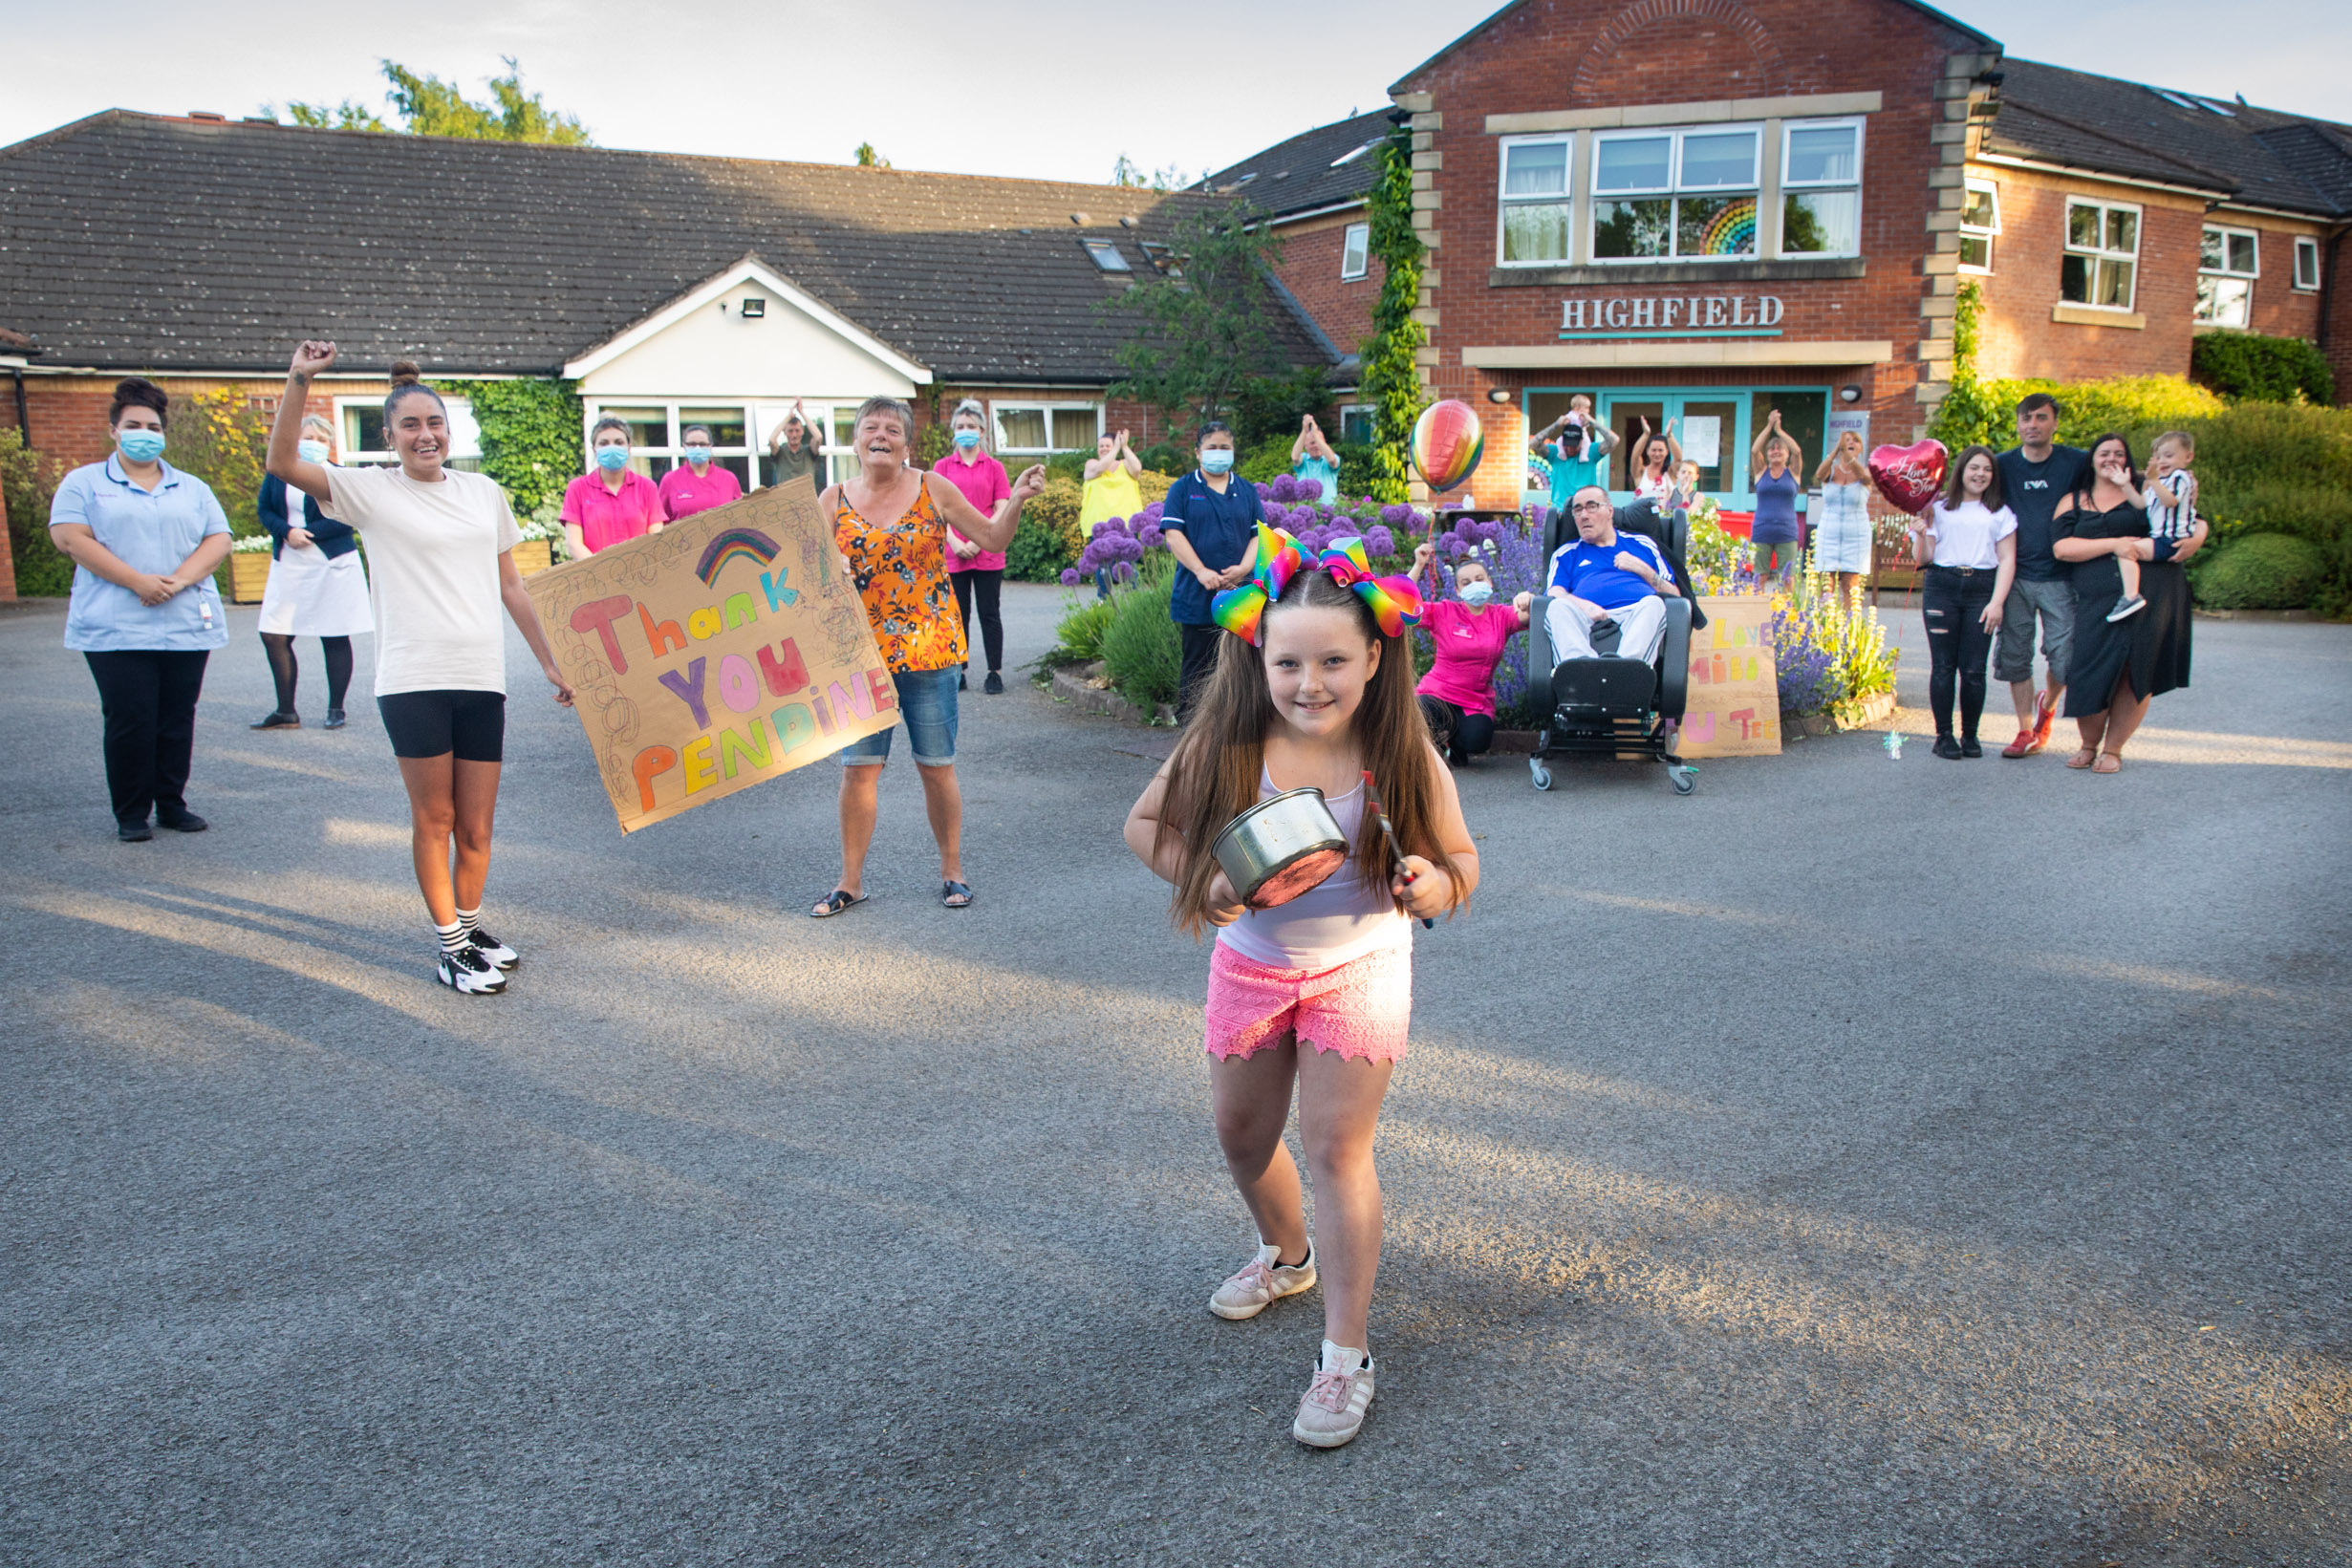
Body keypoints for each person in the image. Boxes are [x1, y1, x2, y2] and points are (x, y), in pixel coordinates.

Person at [1122, 523, 1476, 1450]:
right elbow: (1145, 826)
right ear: (1259, 658)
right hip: (1249, 960)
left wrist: (1434, 883)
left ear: (1372, 659)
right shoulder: (1234, 739)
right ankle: (1287, 1257)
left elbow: (1461, 860)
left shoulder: (1398, 748)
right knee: (1242, 1137)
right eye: (1289, 662)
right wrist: (1199, 880)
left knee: (1334, 1149)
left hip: (1360, 966)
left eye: (1333, 660)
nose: (1309, 682)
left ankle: (1344, 1358)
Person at [267, 345, 575, 995]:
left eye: (433, 423)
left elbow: (511, 586)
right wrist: (299, 379)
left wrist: (549, 660)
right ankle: (449, 945)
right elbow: (283, 462)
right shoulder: (369, 490)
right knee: (434, 821)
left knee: (479, 825)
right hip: (413, 681)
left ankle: (467, 927)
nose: (424, 435)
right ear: (390, 437)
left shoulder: (482, 493)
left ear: (449, 430)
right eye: (409, 426)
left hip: (479, 677)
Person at [810, 397, 1044, 917]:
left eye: (892, 429)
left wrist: (1019, 498)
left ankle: (952, 872)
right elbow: (804, 579)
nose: (881, 435)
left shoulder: (933, 487)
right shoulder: (831, 499)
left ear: (907, 445)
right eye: (870, 427)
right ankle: (850, 882)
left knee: (936, 766)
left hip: (930, 651)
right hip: (861, 657)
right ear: (855, 442)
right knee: (858, 771)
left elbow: (991, 538)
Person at [47, 377, 232, 841]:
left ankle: (171, 803)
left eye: (151, 425)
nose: (143, 432)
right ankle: (131, 812)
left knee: (176, 718)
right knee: (131, 719)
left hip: (185, 619)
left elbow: (219, 538)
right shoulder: (84, 483)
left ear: (163, 433)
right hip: (116, 626)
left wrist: (179, 581)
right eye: (133, 424)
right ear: (114, 430)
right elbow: (69, 537)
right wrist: (138, 583)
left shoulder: (191, 488)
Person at [2051, 433, 2195, 774]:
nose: (2111, 458)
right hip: (2096, 601)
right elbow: (2060, 549)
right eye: (2104, 452)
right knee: (2091, 669)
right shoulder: (2074, 500)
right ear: (2092, 459)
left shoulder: (2148, 487)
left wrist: (2198, 536)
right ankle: (2088, 745)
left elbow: (2191, 517)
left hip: (2153, 595)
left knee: (2136, 672)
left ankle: (2113, 749)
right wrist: (2114, 543)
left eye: (2119, 452)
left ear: (2129, 458)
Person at [250, 414, 370, 732]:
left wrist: (309, 533)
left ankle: (336, 708)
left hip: (331, 564)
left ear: (330, 444)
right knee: (274, 634)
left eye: (321, 440)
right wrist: (287, 531)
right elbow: (264, 509)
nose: (314, 444)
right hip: (289, 562)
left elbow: (348, 517)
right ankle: (286, 710)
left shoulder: (338, 476)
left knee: (333, 634)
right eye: (308, 438)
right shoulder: (278, 473)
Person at [1993, 393, 2090, 758]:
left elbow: (2116, 483)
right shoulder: (2001, 465)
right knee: (2015, 656)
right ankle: (2024, 730)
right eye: (2026, 418)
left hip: (2060, 578)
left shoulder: (2076, 462)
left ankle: (2047, 709)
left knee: (2065, 660)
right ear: (2018, 425)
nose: (2032, 424)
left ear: (2054, 423)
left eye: (2041, 417)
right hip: (2015, 576)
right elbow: (1967, 493)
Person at [1905, 445, 2016, 760]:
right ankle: (1944, 736)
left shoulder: (2000, 513)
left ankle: (1970, 735)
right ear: (1961, 471)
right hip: (1943, 585)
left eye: (1987, 470)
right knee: (1943, 667)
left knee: (1973, 670)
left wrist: (1997, 603)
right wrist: (1920, 534)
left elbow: (2007, 560)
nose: (1980, 474)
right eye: (1974, 468)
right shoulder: (1937, 508)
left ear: (1993, 476)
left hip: (1982, 589)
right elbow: (1923, 558)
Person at [1160, 421, 1264, 722]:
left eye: (1224, 447)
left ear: (1233, 451)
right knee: (1198, 664)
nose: (1218, 453)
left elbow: (1258, 534)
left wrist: (1245, 567)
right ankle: (1192, 727)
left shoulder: (1245, 490)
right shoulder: (1183, 489)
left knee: (1242, 663)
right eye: (1211, 447)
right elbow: (1173, 535)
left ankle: (1237, 723)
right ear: (1197, 452)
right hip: (1197, 594)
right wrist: (1201, 571)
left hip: (1240, 593)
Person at [1410, 540, 1533, 766]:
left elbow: (1531, 615)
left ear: (1490, 582)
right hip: (1438, 692)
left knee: (1477, 741)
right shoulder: (1444, 611)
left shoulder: (1501, 616)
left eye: (1479, 579)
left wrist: (1530, 600)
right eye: (1466, 583)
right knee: (1421, 716)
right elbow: (1403, 604)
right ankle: (1433, 743)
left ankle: (1455, 743)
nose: (1474, 585)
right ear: (1457, 590)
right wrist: (1419, 565)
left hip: (1474, 699)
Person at [1544, 484, 1680, 666]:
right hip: (1586, 616)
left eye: (1591, 506)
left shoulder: (1642, 544)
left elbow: (1674, 595)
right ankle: (1580, 672)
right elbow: (1555, 592)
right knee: (1557, 607)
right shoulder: (1566, 553)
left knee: (1654, 603)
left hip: (1636, 613)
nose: (1584, 515)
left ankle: (1625, 671)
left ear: (1610, 511)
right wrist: (1585, 606)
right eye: (1577, 510)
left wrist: (1642, 569)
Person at [935, 398, 1012, 695]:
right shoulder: (941, 467)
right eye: (960, 427)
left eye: (971, 426)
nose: (965, 431)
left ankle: (995, 672)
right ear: (953, 431)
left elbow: (1002, 506)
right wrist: (955, 541)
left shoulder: (994, 467)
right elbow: (936, 508)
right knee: (957, 613)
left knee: (989, 612)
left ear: (982, 431)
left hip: (988, 553)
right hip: (953, 553)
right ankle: (959, 670)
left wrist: (979, 540)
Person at [2111, 431, 2198, 622]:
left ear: (2188, 457)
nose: (2162, 461)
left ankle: (2131, 597)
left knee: (2127, 551)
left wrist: (2154, 480)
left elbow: (2170, 501)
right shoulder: (2162, 481)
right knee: (2126, 550)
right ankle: (2130, 596)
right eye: (2158, 457)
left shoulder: (2180, 477)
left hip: (2171, 540)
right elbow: (2141, 503)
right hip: (2160, 538)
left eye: (2169, 455)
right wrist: (2125, 485)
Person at [560, 416, 667, 559]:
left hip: (641, 573)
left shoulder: (647, 487)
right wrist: (602, 572)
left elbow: (656, 537)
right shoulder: (577, 488)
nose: (611, 447)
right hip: (594, 575)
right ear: (594, 449)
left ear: (629, 448)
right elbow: (574, 544)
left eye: (618, 442)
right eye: (604, 443)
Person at [1080, 427, 1145, 599]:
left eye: (1107, 445)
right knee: (1103, 569)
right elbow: (1099, 469)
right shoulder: (1092, 464)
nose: (1104, 448)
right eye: (1101, 446)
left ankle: (1134, 602)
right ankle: (1105, 603)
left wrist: (1124, 447)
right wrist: (1115, 448)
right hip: (1099, 527)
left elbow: (1137, 470)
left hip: (1125, 526)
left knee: (1129, 567)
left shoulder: (1126, 465)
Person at [1810, 428, 1874, 604]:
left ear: (1861, 448)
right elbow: (1819, 475)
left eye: (1855, 440)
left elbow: (1865, 478)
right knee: (1825, 587)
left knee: (1850, 587)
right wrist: (1836, 452)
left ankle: (1848, 627)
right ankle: (1823, 626)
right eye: (1847, 440)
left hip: (1856, 537)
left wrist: (1848, 456)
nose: (1851, 443)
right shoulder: (1830, 472)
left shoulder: (1867, 471)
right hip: (1828, 535)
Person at [1529, 395, 1616, 520]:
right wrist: (1556, 425)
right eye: (1567, 445)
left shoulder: (1591, 452)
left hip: (1588, 512)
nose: (1570, 449)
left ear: (1582, 441)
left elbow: (1614, 441)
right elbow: (1533, 444)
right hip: (1562, 511)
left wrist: (1592, 422)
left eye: (1575, 445)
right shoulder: (1556, 453)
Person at [1747, 410, 1803, 591]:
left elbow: (1797, 451)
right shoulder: (1761, 472)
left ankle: (1786, 614)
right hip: (1762, 530)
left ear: (1787, 455)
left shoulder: (1793, 473)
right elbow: (1755, 450)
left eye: (1780, 449)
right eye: (1772, 449)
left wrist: (1779, 431)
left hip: (1786, 532)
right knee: (1759, 576)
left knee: (1787, 578)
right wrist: (1769, 427)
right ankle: (1756, 613)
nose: (1776, 451)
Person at [656, 423, 744, 521]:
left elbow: (740, 517)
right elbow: (660, 521)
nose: (697, 448)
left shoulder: (728, 479)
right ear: (684, 446)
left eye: (702, 444)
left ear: (710, 446)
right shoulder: (670, 480)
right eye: (692, 444)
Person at [766, 401, 823, 490]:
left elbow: (818, 437)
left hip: (806, 501)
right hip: (785, 501)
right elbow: (772, 440)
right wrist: (788, 416)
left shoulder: (809, 451)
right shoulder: (780, 452)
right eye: (790, 431)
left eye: (797, 430)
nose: (794, 435)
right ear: (785, 432)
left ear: (802, 431)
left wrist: (801, 412)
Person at [1629, 417, 1683, 505]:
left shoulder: (1670, 472)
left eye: (1660, 450)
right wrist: (1645, 434)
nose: (1657, 454)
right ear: (1647, 451)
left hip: (1664, 516)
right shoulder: (1641, 472)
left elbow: (1678, 458)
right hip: (1642, 516)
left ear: (1666, 452)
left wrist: (1669, 435)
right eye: (1653, 450)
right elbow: (1635, 456)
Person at [1291, 414, 1341, 504]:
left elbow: (1332, 461)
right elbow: (1294, 457)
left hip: (1329, 511)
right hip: (1305, 509)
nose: (1317, 446)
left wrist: (1315, 434)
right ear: (1305, 445)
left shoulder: (1331, 457)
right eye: (1312, 443)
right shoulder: (1303, 459)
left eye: (1319, 441)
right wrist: (1304, 430)